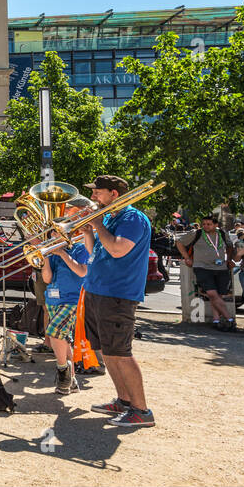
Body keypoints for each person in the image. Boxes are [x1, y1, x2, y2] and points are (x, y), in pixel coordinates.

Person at [80, 175, 156, 428]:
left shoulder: (132, 218)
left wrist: (98, 224)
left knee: (121, 352)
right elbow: (96, 252)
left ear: (113, 194)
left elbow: (117, 249)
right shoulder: (110, 218)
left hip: (117, 294)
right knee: (107, 350)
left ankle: (141, 410)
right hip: (97, 289)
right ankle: (124, 400)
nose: (93, 197)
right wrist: (87, 231)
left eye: (97, 192)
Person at [40, 215, 91, 394]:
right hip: (53, 299)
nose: (53, 234)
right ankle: (72, 381)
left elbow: (82, 271)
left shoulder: (79, 248)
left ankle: (62, 372)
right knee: (62, 339)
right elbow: (47, 279)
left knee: (53, 332)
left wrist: (62, 253)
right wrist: (45, 256)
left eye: (57, 231)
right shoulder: (52, 252)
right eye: (52, 231)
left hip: (72, 300)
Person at [178, 215, 237, 331]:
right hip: (202, 267)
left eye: (209, 224)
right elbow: (179, 243)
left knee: (218, 295)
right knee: (212, 294)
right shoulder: (197, 233)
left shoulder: (222, 234)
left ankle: (216, 320)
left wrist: (229, 259)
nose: (205, 226)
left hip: (220, 268)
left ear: (216, 225)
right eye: (204, 224)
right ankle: (229, 319)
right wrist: (187, 258)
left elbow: (230, 246)